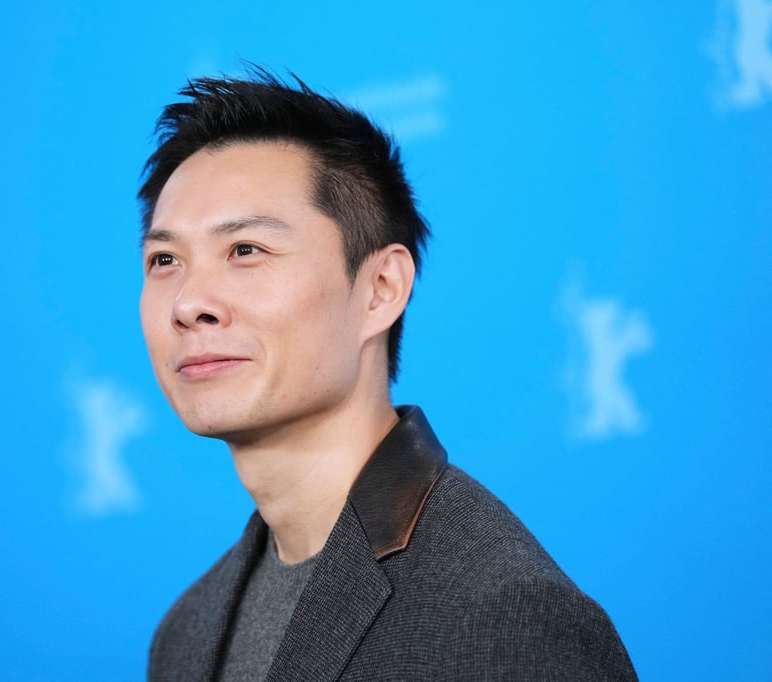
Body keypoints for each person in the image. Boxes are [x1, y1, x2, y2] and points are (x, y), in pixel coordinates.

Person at [137, 68, 636, 681]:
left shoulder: (500, 610)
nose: (189, 303)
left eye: (245, 250)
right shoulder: (187, 630)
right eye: (165, 260)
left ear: (380, 289)